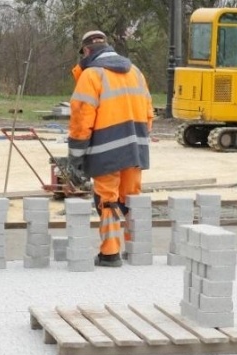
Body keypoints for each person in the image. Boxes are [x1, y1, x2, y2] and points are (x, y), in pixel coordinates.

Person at [68, 30, 153, 267]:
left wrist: (75, 156)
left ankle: (110, 253)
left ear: (86, 51)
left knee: (108, 200)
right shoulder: (135, 72)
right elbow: (148, 114)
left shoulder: (92, 75)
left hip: (106, 149)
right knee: (131, 199)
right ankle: (135, 250)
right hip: (136, 148)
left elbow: (81, 120)